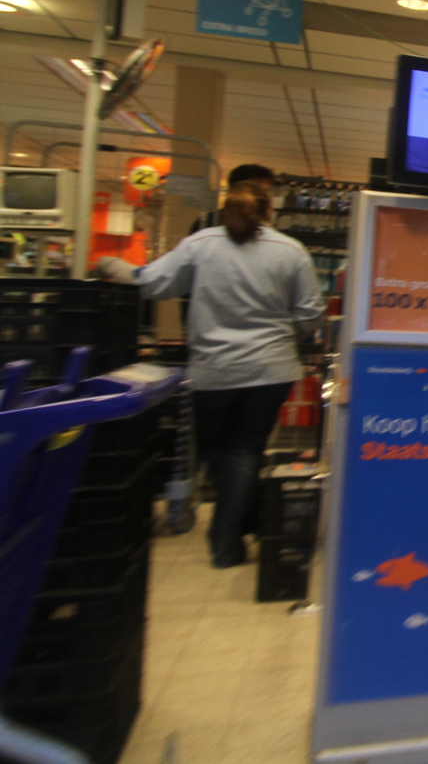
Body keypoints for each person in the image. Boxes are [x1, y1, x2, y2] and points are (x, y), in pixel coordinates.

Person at [100, 180, 324, 568]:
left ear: (225, 210)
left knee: (216, 452)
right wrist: (283, 334)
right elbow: (312, 314)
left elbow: (150, 283)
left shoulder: (201, 244)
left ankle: (227, 541)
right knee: (245, 450)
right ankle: (243, 525)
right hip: (270, 369)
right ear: (269, 212)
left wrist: (107, 263)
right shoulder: (291, 251)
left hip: (214, 369)